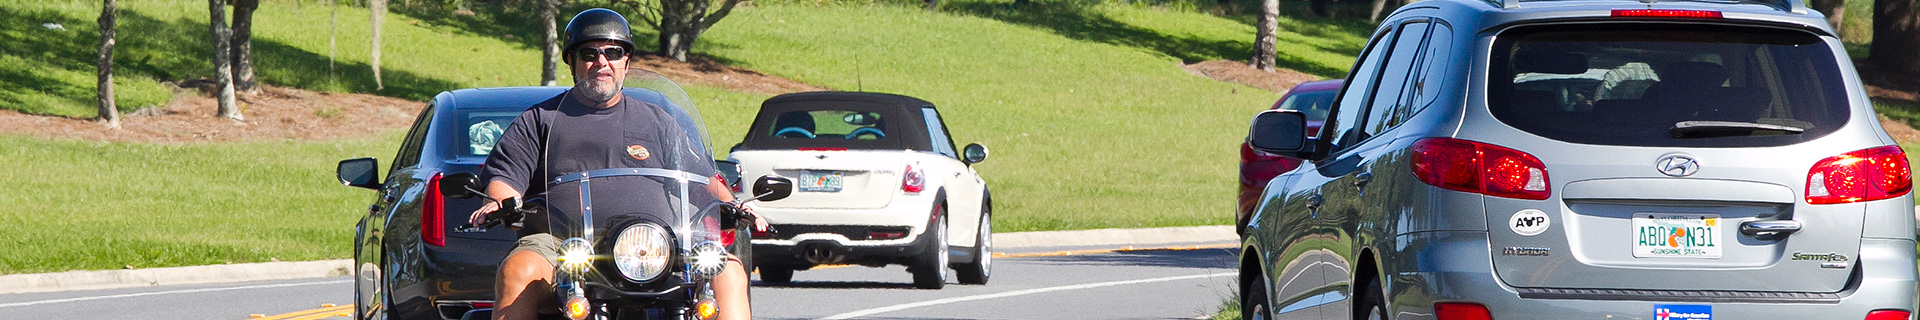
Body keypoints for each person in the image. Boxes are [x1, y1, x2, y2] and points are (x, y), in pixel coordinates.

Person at [469, 8, 763, 320]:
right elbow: (504, 178)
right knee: (519, 268)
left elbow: (703, 179)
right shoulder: (539, 120)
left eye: (613, 52)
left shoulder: (658, 120)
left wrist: (737, 206)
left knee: (727, 269)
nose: (601, 62)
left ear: (627, 60)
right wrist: (501, 201)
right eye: (589, 54)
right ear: (571, 61)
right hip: (564, 245)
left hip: (655, 243)